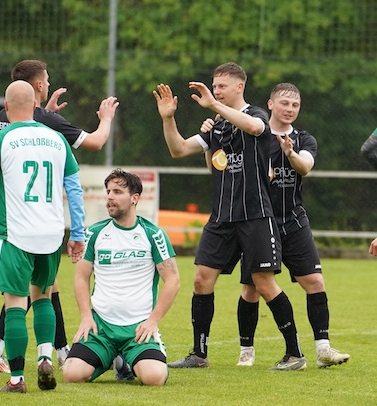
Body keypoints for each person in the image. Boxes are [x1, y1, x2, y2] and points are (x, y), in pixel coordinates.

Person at [153, 62, 306, 371]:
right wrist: (168, 118)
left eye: (221, 86)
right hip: (222, 217)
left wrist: (214, 105)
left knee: (263, 284)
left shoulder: (256, 115)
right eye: (214, 86)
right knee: (201, 280)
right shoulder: (218, 126)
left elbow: (255, 128)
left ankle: (295, 355)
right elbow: (178, 149)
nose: (216, 91)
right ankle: (199, 354)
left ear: (239, 87)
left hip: (255, 215)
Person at [0, 59, 119, 374]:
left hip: (14, 218)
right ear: (40, 85)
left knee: (41, 288)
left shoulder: (5, 116)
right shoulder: (47, 123)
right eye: (47, 80)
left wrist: (47, 112)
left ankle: (50, 349)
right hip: (42, 219)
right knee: (37, 289)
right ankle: (9, 348)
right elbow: (95, 142)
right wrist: (106, 119)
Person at [201, 83, 348, 368]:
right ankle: (247, 351)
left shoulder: (304, 139)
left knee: (315, 281)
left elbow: (305, 167)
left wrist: (290, 153)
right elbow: (224, 165)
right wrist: (211, 136)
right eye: (284, 103)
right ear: (270, 104)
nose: (290, 109)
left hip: (293, 221)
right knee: (251, 289)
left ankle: (323, 349)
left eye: (295, 105)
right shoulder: (253, 132)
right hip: (258, 221)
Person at [0, 80, 86, 393]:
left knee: (15, 302)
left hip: (16, 234)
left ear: (6, 106)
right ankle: (45, 358)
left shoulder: (0, 140)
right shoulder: (57, 140)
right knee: (43, 297)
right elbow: (74, 189)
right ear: (35, 105)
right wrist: (78, 233)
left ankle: (16, 379)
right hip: (52, 234)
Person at [62, 169, 180, 386]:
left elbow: (173, 280)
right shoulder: (95, 233)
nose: (110, 197)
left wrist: (153, 321)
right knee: (71, 375)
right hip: (101, 327)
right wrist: (86, 316)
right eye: (108, 192)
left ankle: (125, 361)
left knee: (154, 378)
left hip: (138, 329)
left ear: (135, 198)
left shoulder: (153, 234)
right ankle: (111, 358)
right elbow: (81, 277)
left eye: (117, 192)